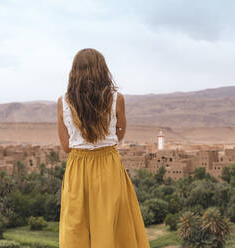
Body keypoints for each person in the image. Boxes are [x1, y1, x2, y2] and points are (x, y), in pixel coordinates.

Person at [57, 48, 150, 248]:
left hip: (77, 169)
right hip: (109, 166)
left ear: (74, 72)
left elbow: (66, 147)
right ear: (102, 70)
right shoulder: (117, 99)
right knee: (112, 227)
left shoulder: (63, 103)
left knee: (76, 228)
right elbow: (119, 133)